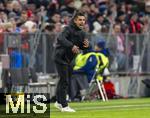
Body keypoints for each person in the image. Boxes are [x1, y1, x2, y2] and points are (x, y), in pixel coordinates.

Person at [54, 11, 89, 112]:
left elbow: (82, 47)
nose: (82, 22)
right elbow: (60, 38)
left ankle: (58, 102)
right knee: (64, 81)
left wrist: (86, 45)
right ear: (75, 20)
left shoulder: (82, 32)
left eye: (83, 20)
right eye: (80, 20)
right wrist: (71, 46)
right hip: (61, 57)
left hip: (70, 59)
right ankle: (64, 106)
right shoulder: (68, 29)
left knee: (64, 80)